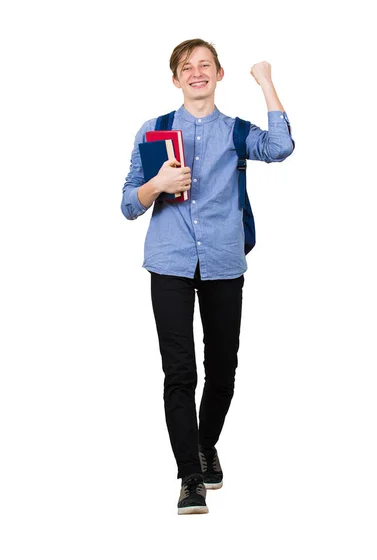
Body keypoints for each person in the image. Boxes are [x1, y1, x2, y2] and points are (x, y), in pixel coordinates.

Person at [121, 38, 295, 515]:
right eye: (186, 67)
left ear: (219, 74)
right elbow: (126, 205)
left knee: (222, 372)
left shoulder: (236, 132)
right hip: (169, 262)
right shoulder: (153, 130)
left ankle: (205, 441)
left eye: (205, 65)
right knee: (180, 373)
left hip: (222, 262)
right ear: (175, 79)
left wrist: (265, 80)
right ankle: (190, 477)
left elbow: (281, 147)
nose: (196, 72)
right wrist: (157, 185)